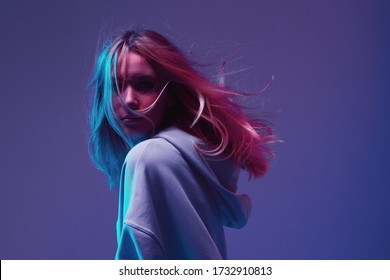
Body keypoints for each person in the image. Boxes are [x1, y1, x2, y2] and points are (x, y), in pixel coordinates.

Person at [88, 29, 274, 259]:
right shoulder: (189, 155)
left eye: (144, 85)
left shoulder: (148, 158)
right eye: (116, 87)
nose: (128, 100)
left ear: (171, 94)